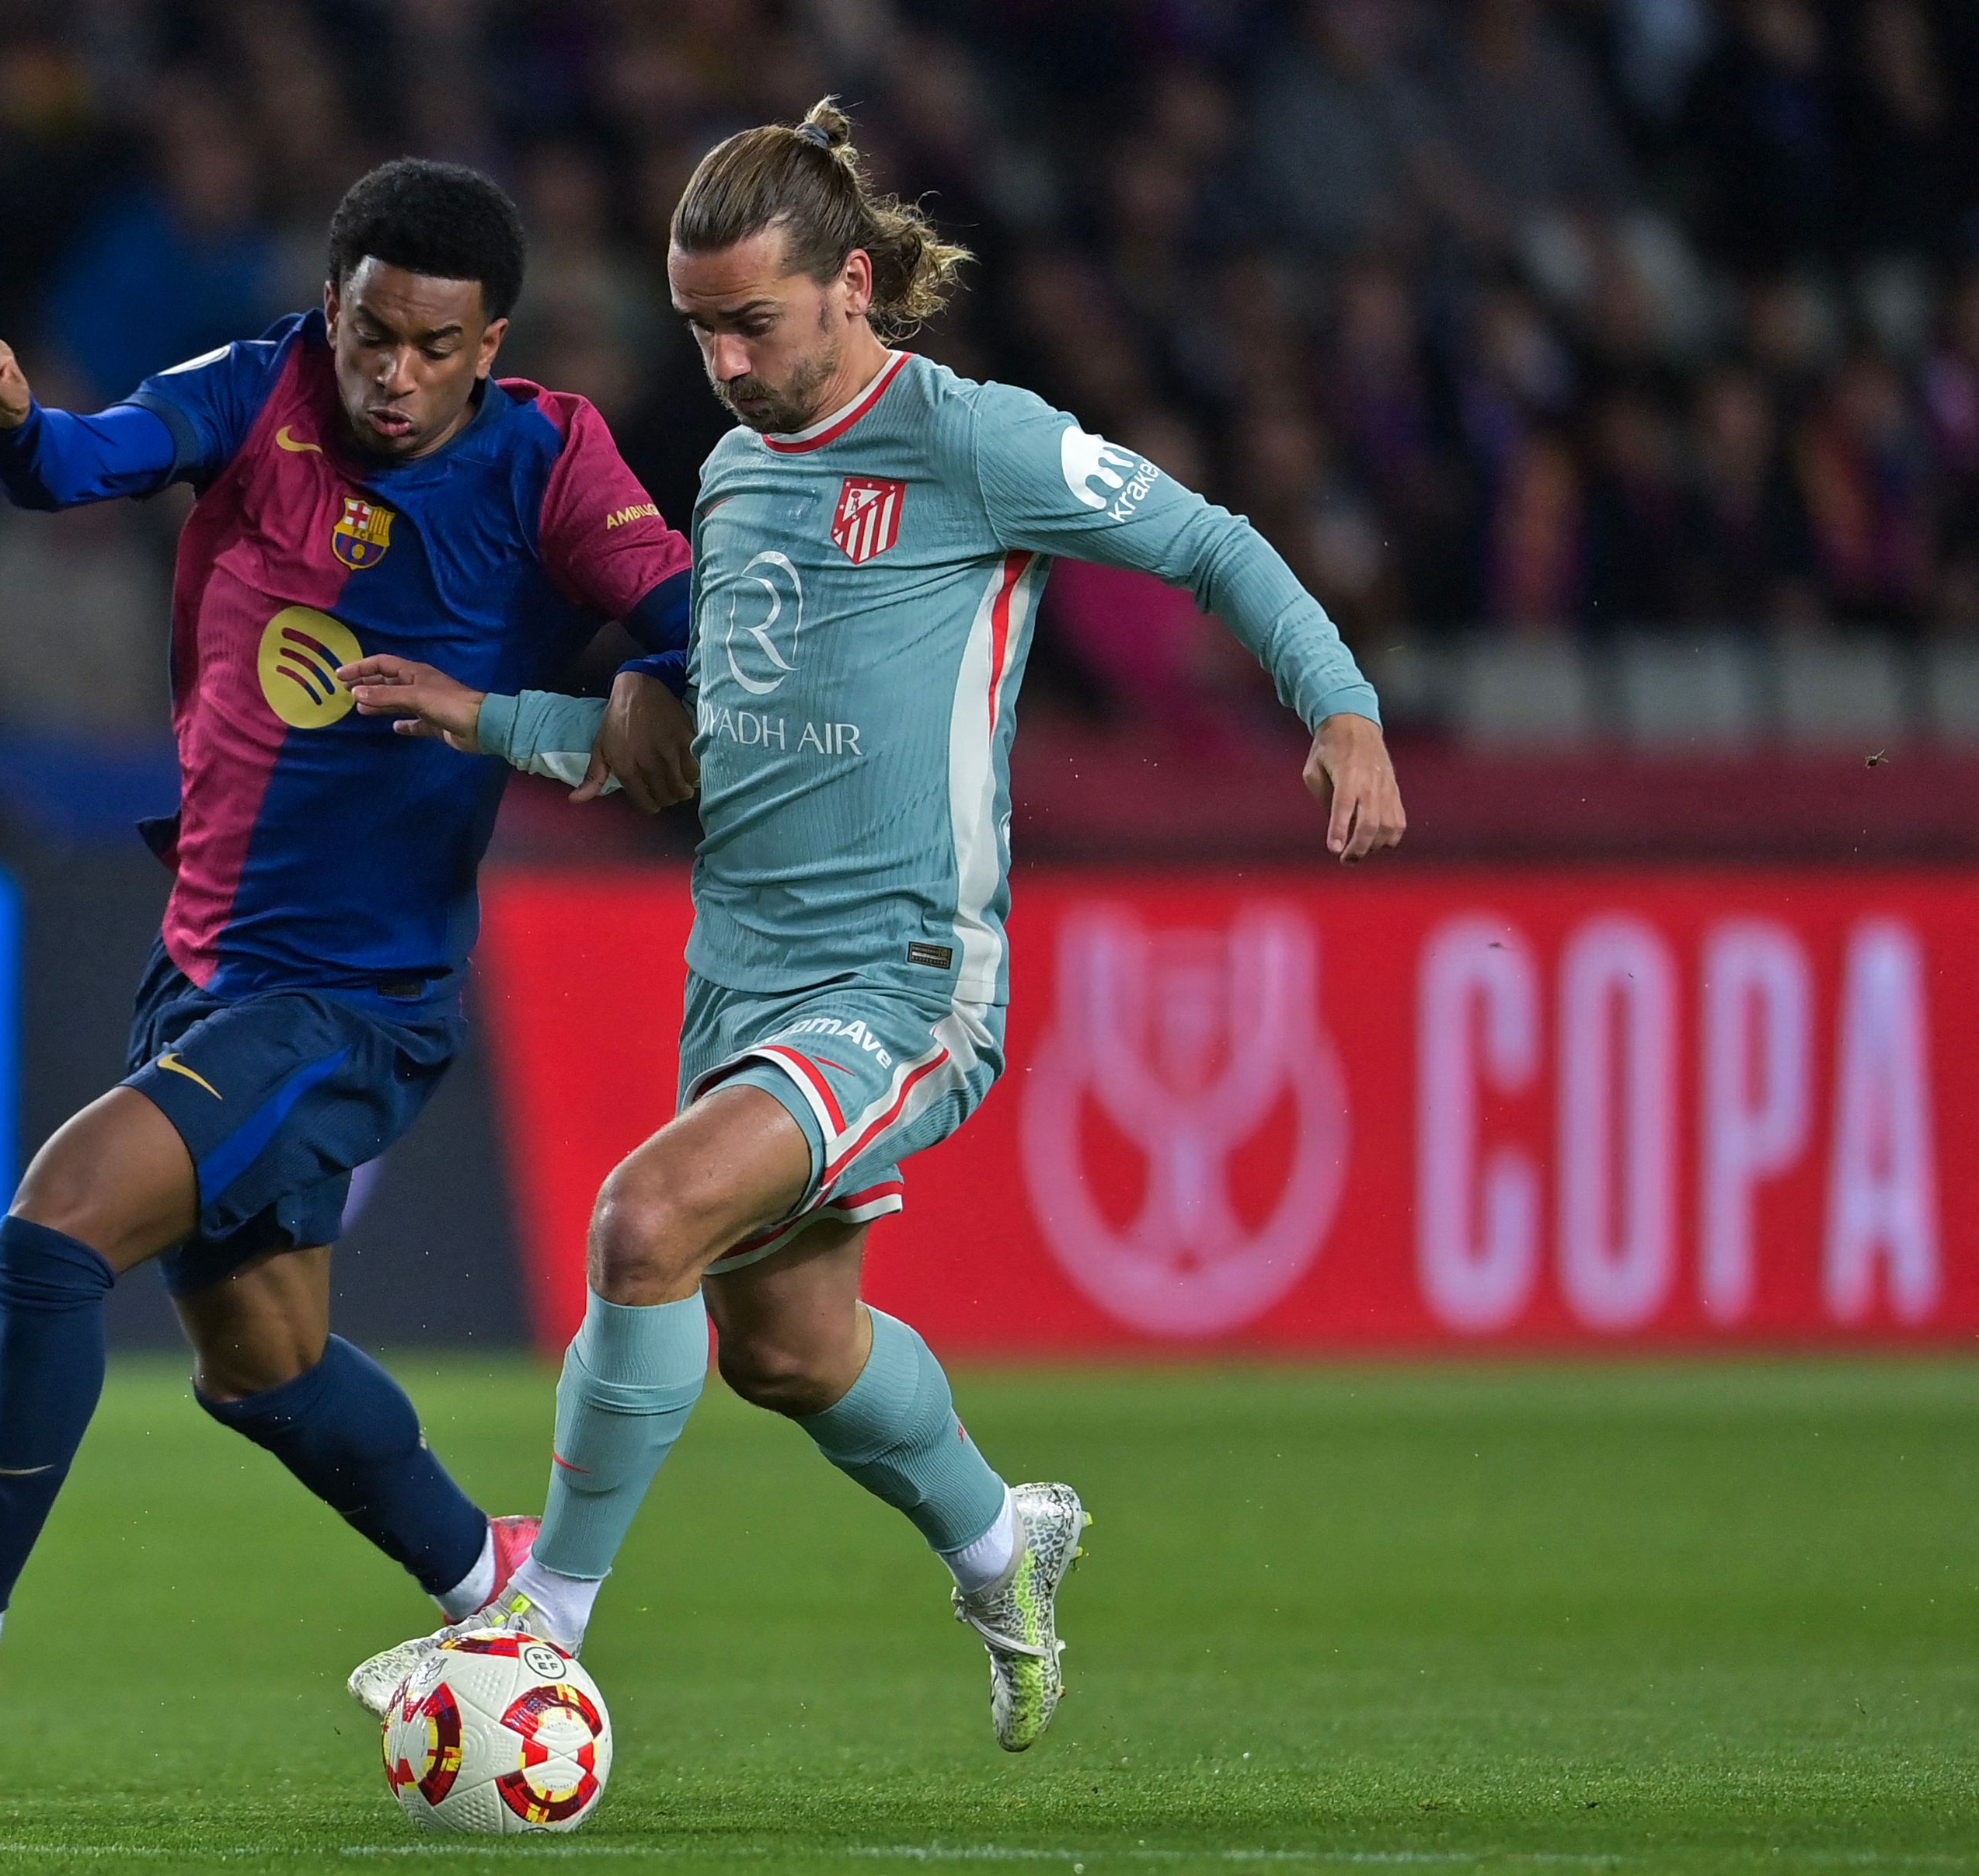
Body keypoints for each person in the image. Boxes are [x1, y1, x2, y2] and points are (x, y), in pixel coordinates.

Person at [340, 102, 1406, 1752]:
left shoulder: (970, 441)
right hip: (738, 977)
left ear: (849, 286)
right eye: (697, 330)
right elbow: (676, 753)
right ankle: (1003, 1539)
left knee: (639, 1225)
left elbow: (1205, 538)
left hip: (902, 976)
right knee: (786, 1343)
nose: (723, 362)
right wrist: (482, 718)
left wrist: (1334, 702)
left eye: (750, 323)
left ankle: (536, 1623)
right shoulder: (730, 479)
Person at [0, 158, 698, 1773]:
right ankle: (489, 1576)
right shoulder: (262, 391)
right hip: (204, 972)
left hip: (353, 1003)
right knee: (263, 1365)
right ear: (332, 309)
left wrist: (651, 682)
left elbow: (683, 603)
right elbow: (80, 465)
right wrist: (7, 418)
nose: (392, 374)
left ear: (488, 340)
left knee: (52, 1225)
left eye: (432, 347)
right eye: (371, 333)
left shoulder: (546, 459)